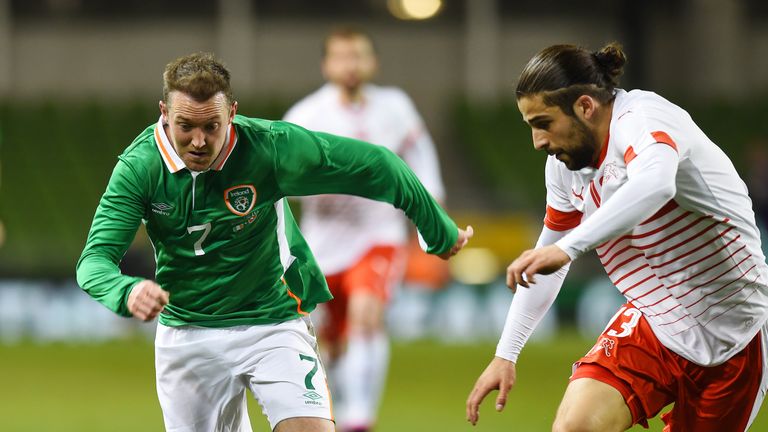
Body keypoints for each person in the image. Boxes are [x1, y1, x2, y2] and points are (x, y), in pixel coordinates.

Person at [76, 52, 472, 432]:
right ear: (164, 114)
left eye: (211, 126)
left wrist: (438, 231)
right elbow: (94, 261)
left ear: (231, 113)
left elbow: (378, 165)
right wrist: (125, 291)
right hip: (188, 334)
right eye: (186, 127)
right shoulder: (139, 169)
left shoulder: (269, 149)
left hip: (272, 322)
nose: (198, 141)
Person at [466, 42, 768, 431]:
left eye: (543, 123)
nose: (538, 142)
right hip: (653, 323)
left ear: (585, 107)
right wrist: (505, 354)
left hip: (735, 337)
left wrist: (568, 247)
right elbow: (547, 262)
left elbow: (656, 184)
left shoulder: (643, 117)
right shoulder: (563, 168)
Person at [283, 27, 447, 432]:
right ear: (326, 64)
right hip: (321, 244)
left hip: (378, 235)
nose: (350, 65)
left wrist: (434, 215)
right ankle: (337, 410)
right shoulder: (304, 117)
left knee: (367, 314)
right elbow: (278, 180)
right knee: (330, 343)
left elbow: (422, 158)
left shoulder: (395, 107)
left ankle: (360, 419)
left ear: (372, 61)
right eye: (341, 57)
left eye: (358, 55)